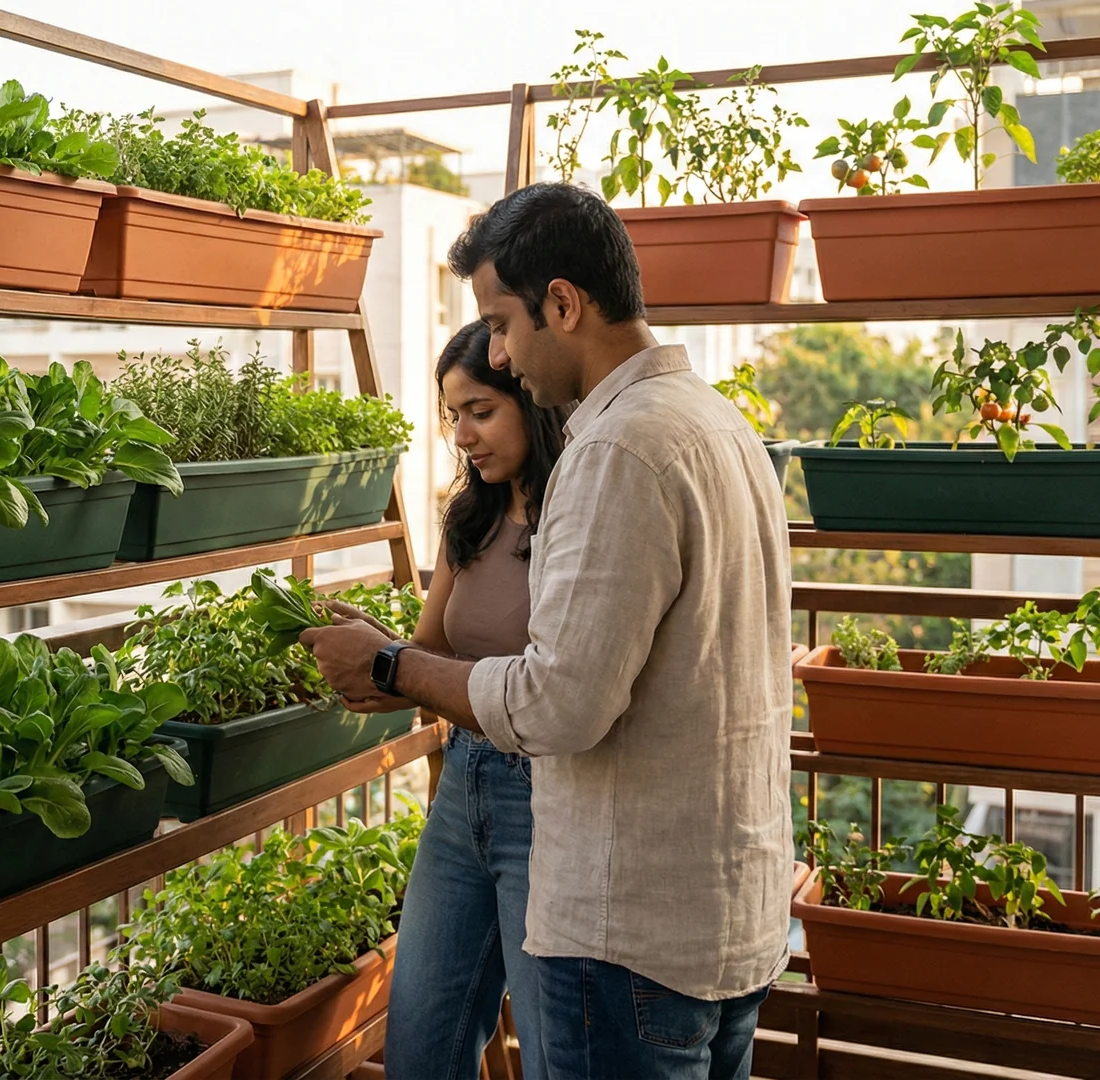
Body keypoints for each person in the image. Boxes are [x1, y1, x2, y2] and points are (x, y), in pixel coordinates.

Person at [301, 182, 792, 1080]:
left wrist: (391, 665)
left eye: (501, 323)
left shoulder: (616, 451)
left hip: (628, 934)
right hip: (718, 917)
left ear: (562, 304)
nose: (497, 352)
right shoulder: (719, 424)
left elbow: (558, 703)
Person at [358, 321, 568, 1080]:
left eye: (481, 410)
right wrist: (367, 653)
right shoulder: (468, 518)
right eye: (453, 415)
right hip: (462, 789)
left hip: (549, 800)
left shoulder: (575, 521)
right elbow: (429, 655)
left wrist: (394, 665)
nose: (463, 435)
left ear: (531, 400)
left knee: (551, 1052)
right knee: (420, 1047)